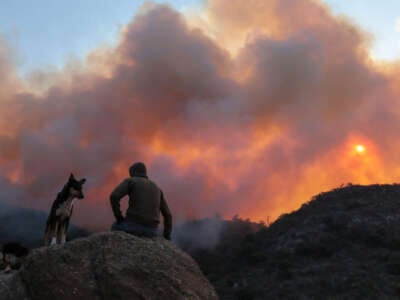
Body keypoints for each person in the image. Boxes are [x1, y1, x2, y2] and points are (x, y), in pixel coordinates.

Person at [110, 162, 172, 240]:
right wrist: (167, 237)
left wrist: (119, 218)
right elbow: (168, 215)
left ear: (133, 172)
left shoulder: (131, 181)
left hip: (132, 226)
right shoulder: (157, 188)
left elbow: (114, 196)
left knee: (114, 227)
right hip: (152, 231)